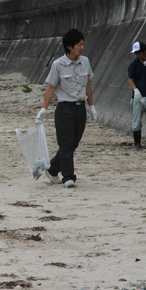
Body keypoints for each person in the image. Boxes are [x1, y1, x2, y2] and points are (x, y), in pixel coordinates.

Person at [36, 29, 97, 189]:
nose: (82, 47)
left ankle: (53, 169)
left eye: (83, 44)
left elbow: (88, 85)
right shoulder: (58, 64)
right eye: (79, 44)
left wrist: (91, 106)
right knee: (66, 144)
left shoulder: (85, 62)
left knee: (73, 144)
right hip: (64, 109)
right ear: (69, 46)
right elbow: (50, 88)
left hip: (80, 109)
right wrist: (43, 109)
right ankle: (68, 177)